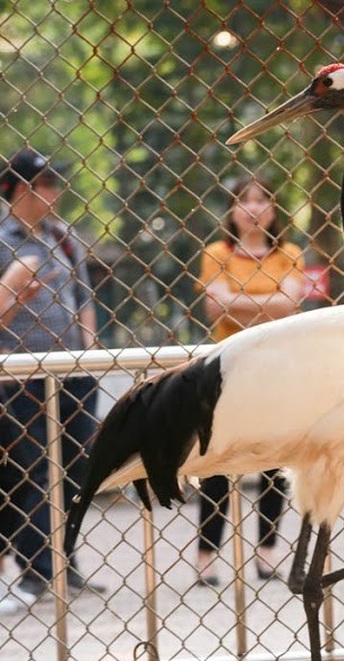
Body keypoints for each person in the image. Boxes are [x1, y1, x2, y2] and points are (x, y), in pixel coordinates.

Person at [0, 148, 103, 615]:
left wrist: (88, 349)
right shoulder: (2, 240)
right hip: (20, 372)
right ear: (23, 190)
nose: (57, 193)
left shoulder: (63, 237)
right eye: (48, 185)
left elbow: (83, 297)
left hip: (72, 370)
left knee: (78, 462)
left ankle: (67, 556)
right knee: (35, 466)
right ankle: (37, 565)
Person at [195, 175, 304, 587]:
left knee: (275, 462)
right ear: (232, 211)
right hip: (230, 369)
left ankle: (267, 552)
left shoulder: (289, 253)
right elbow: (213, 310)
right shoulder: (216, 253)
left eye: (262, 200)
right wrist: (267, 306)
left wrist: (236, 304)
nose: (254, 208)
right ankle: (207, 555)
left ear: (274, 210)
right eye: (244, 200)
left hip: (277, 369)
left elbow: (291, 304)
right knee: (219, 463)